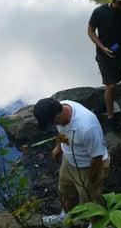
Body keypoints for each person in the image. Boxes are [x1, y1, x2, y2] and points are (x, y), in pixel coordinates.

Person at [34, 97, 109, 228]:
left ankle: (95, 224)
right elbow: (62, 130)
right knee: (65, 191)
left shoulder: (87, 126)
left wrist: (91, 179)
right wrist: (58, 147)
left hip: (89, 165)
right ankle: (66, 216)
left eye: (52, 123)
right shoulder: (61, 108)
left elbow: (97, 156)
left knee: (91, 201)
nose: (54, 126)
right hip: (69, 161)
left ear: (57, 118)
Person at [87, 0, 121, 133]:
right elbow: (90, 31)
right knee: (111, 85)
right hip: (104, 54)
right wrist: (101, 47)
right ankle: (110, 117)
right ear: (116, 1)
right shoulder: (99, 12)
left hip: (119, 52)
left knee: (115, 81)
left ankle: (105, 102)